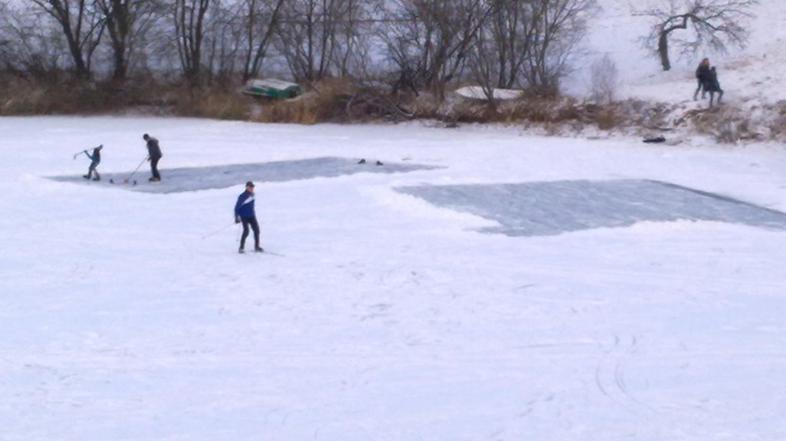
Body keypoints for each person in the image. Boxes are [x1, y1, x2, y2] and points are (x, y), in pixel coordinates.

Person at [234, 181, 263, 253]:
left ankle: (257, 247)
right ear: (247, 187)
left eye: (253, 187)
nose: (252, 188)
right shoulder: (242, 196)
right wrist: (236, 217)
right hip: (244, 217)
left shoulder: (252, 195)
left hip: (252, 216)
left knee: (257, 230)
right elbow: (236, 207)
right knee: (246, 231)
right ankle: (241, 248)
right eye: (250, 187)